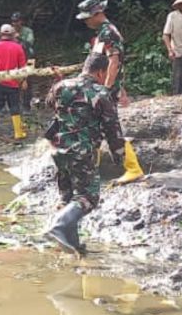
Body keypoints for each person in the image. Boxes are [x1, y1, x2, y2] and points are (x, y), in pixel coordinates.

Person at [42, 53, 126, 254]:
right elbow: (112, 128)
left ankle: (73, 246)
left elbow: (48, 104)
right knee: (88, 197)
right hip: (82, 150)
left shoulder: (60, 87)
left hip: (59, 149)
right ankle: (59, 225)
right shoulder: (100, 93)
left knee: (69, 196)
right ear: (100, 71)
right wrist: (119, 155)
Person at [76, 0, 143, 184]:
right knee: (94, 129)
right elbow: (107, 63)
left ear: (98, 13)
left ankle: (133, 168)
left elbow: (114, 61)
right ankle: (92, 172)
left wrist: (107, 89)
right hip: (99, 87)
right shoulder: (103, 33)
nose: (86, 21)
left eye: (88, 17)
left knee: (111, 129)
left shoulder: (108, 32)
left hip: (103, 90)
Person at [0, 24, 28, 140]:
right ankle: (18, 132)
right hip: (13, 82)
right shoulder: (18, 47)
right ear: (12, 34)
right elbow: (22, 67)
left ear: (1, 34)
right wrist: (23, 80)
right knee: (14, 106)